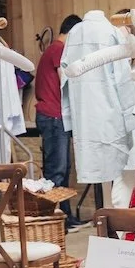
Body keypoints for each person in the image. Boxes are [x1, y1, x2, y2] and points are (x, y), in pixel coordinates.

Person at [34, 13, 83, 227]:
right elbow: (66, 81)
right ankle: (54, 220)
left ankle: (64, 217)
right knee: (57, 170)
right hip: (54, 116)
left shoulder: (54, 49)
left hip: (55, 116)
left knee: (63, 169)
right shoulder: (59, 50)